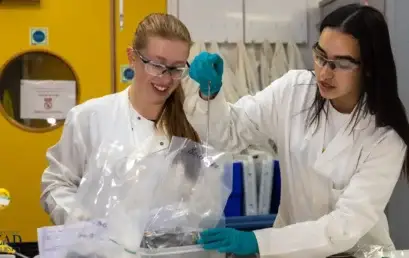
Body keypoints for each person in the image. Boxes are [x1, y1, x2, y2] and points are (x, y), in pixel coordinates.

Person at [186, 4, 409, 257]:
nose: (324, 72)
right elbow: (229, 133)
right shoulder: (294, 91)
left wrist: (259, 242)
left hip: (358, 253)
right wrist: (210, 93)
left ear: (369, 67)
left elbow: (344, 226)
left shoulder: (385, 137)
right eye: (321, 56)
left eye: (341, 64)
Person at [40, 13, 199, 225]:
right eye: (156, 65)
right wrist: (82, 223)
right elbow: (56, 184)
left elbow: (201, 199)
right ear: (132, 57)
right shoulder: (90, 118)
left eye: (176, 68)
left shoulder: (192, 123)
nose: (166, 78)